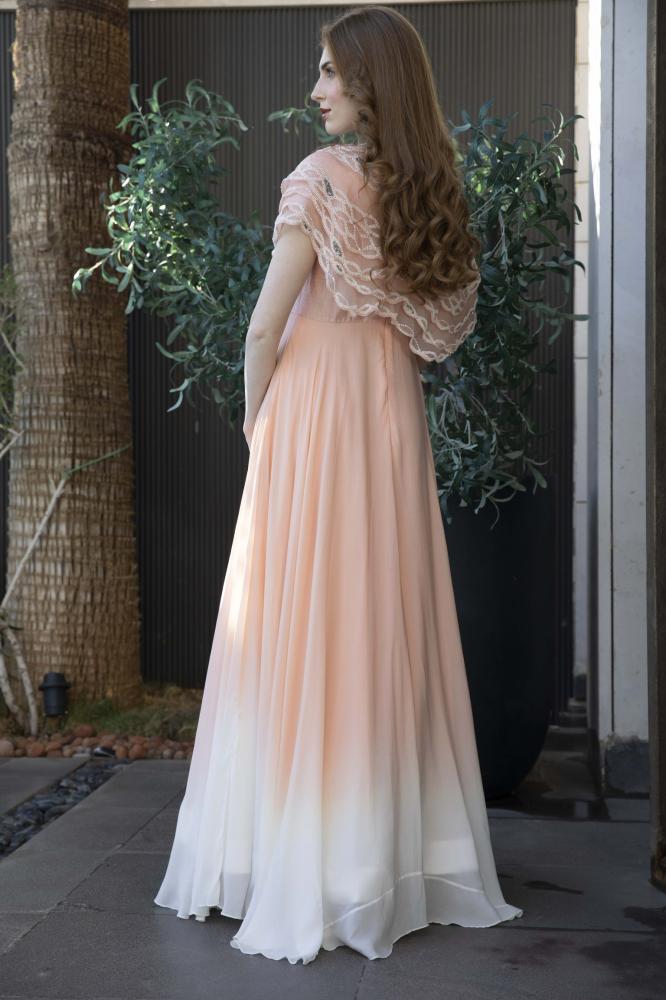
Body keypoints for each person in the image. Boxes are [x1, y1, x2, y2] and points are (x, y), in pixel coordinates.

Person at [153, 3, 524, 965]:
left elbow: (262, 325)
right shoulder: (423, 185)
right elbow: (430, 331)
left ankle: (277, 854)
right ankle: (381, 859)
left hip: (315, 415)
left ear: (368, 81)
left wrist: (255, 419)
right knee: (377, 616)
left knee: (295, 614)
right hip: (386, 415)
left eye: (328, 71)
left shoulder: (321, 179)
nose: (315, 88)